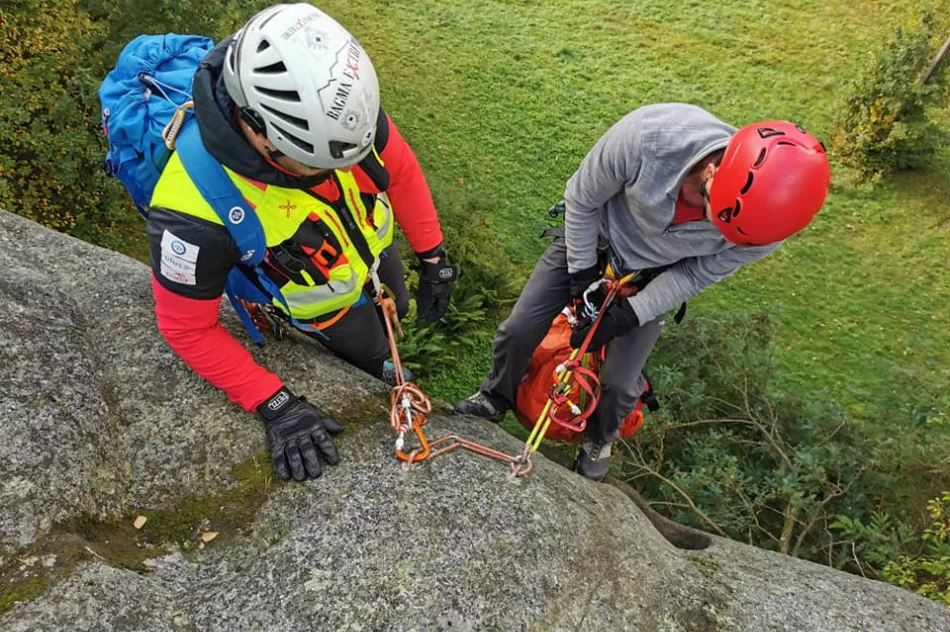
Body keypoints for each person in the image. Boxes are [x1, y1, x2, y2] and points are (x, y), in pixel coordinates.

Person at [146, 3, 456, 482]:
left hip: (372, 251)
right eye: (313, 164)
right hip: (321, 304)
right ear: (257, 130)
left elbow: (401, 170)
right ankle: (384, 373)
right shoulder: (192, 214)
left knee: (399, 306)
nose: (336, 175)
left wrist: (432, 254)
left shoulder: (338, 112)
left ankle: (388, 354)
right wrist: (275, 402)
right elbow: (186, 329)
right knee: (371, 351)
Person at [455, 103, 830, 481]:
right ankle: (495, 395)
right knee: (519, 329)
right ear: (714, 168)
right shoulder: (650, 137)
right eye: (712, 211)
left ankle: (598, 442)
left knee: (620, 383)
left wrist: (627, 315)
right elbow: (582, 200)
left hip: (654, 277)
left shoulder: (765, 229)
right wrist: (583, 278)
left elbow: (693, 275)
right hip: (593, 239)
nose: (707, 225)